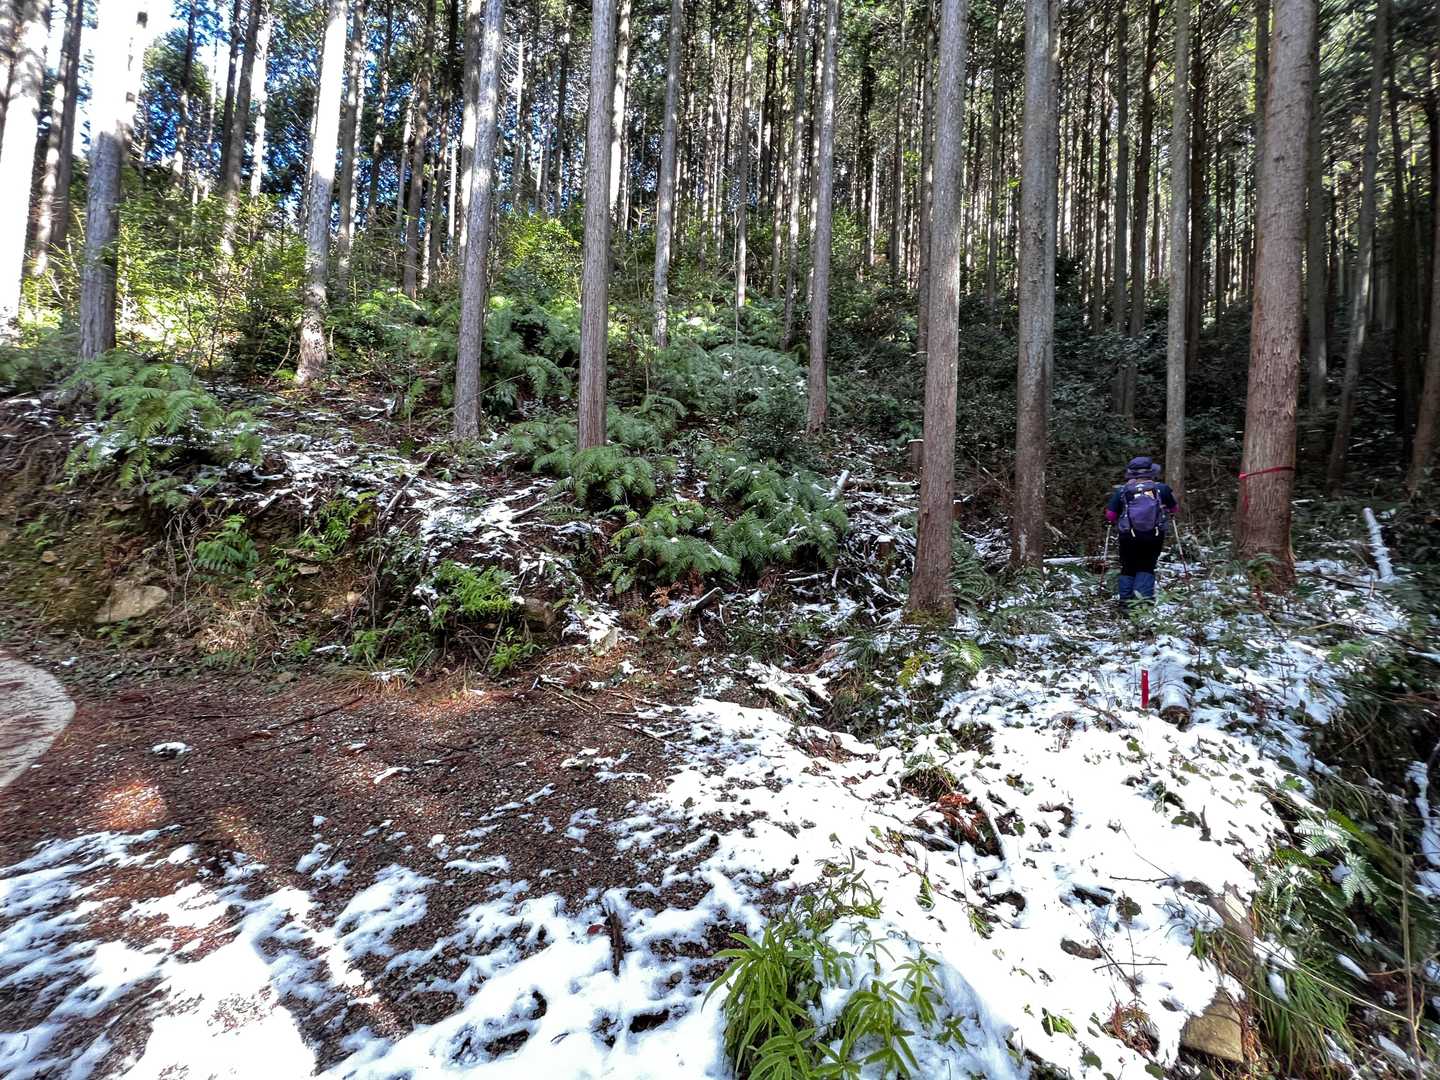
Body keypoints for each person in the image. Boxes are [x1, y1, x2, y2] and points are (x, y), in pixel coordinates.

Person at [1104, 456, 1178, 607]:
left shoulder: (1122, 491)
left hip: (1128, 535)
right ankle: (1141, 604)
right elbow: (1174, 509)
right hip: (1154, 534)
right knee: (1146, 565)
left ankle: (1125, 603)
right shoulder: (1162, 489)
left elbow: (1110, 515)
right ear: (1151, 472)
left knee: (1128, 566)